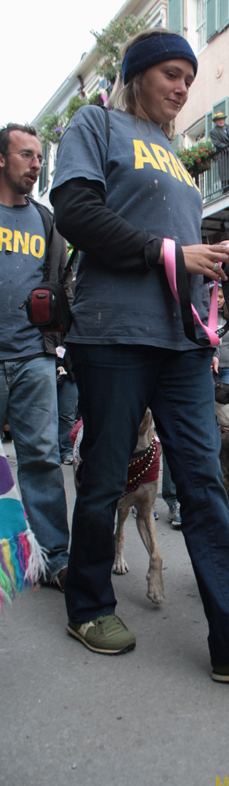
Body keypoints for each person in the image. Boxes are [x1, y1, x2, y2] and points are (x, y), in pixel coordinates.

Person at [50, 28, 229, 685]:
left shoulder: (173, 152)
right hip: (113, 332)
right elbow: (76, 212)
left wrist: (223, 256)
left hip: (182, 342)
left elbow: (180, 249)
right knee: (107, 477)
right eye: (172, 73)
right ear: (138, 73)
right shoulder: (96, 123)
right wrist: (168, 253)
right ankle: (87, 604)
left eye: (189, 79)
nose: (182, 87)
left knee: (201, 484)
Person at [0, 122, 71, 590]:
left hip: (33, 355)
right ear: (2, 160)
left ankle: (55, 557)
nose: (36, 164)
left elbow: (63, 281)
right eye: (26, 154)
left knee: (42, 457)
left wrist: (59, 329)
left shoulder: (46, 221)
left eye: (40, 157)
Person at [209, 112, 229, 193]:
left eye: (222, 119)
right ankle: (227, 191)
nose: (221, 121)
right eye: (219, 120)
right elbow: (217, 144)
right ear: (215, 121)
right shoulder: (213, 132)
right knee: (227, 180)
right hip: (224, 158)